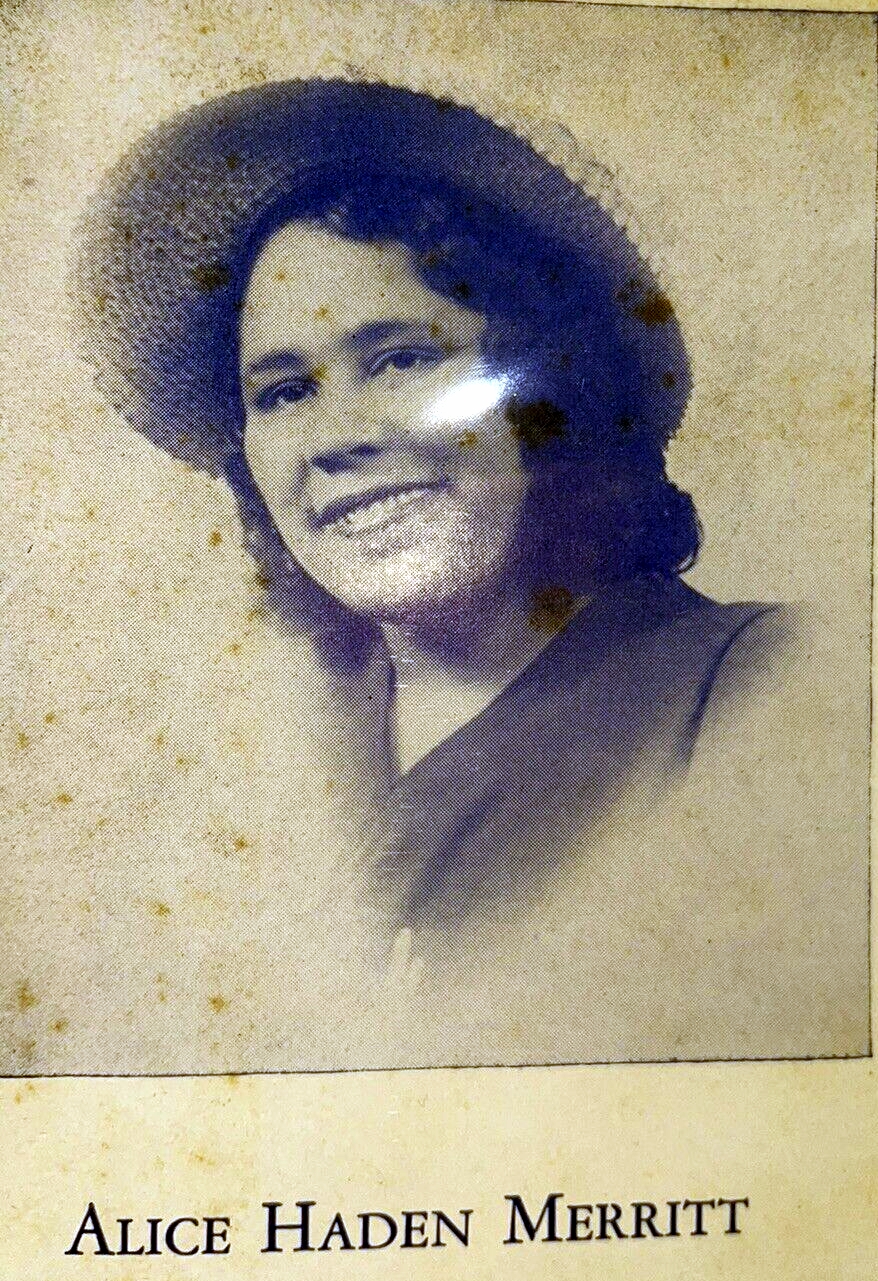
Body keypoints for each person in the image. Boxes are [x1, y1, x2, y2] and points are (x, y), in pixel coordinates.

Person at [73, 79, 866, 1064]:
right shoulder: (252, 761)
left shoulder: (756, 687)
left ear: (543, 392)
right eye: (281, 392)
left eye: (400, 359)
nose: (335, 437)